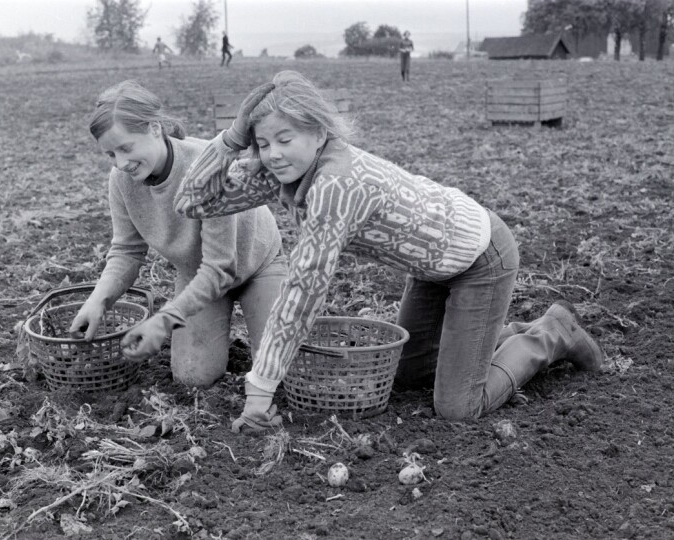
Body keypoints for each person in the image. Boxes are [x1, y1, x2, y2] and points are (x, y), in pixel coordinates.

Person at [175, 70, 603, 431]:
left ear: (318, 131)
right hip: (432, 269)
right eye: (263, 143)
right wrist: (231, 139)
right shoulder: (282, 169)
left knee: (458, 408)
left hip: (480, 258)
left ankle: (553, 333)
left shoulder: (336, 184)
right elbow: (192, 201)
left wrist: (261, 386)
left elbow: (303, 292)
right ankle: (488, 340)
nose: (272, 153)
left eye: (284, 139)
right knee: (410, 376)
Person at [68, 80, 287, 389]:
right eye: (110, 154)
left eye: (126, 147)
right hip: (198, 274)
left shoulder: (204, 168)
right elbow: (127, 251)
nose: (121, 163)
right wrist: (98, 301)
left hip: (256, 263)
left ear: (155, 128)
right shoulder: (121, 181)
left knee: (280, 371)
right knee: (191, 377)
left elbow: (220, 268)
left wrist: (165, 320)